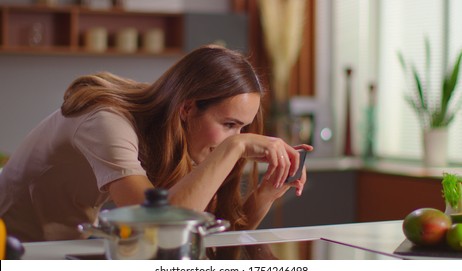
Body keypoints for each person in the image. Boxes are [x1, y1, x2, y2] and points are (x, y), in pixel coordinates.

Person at [0, 45, 313, 242]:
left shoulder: (176, 136)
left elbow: (212, 235)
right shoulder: (106, 121)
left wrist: (265, 195)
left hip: (59, 246)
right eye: (229, 125)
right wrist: (236, 147)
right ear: (188, 108)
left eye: (242, 127)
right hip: (14, 248)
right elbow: (159, 225)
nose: (237, 136)